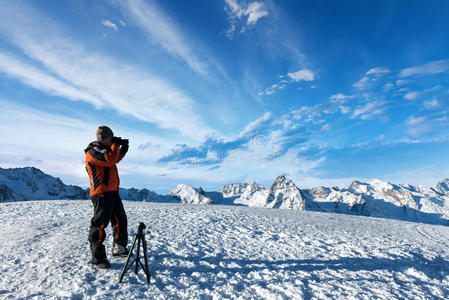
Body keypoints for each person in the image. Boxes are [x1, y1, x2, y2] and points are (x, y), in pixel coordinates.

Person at [84, 126, 130, 269]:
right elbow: (110, 159)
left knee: (120, 220)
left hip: (112, 191)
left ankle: (119, 247)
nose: (113, 140)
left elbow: (114, 159)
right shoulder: (93, 151)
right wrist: (116, 145)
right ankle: (97, 258)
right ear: (106, 138)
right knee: (99, 225)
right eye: (112, 138)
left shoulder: (105, 150)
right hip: (101, 193)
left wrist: (122, 149)